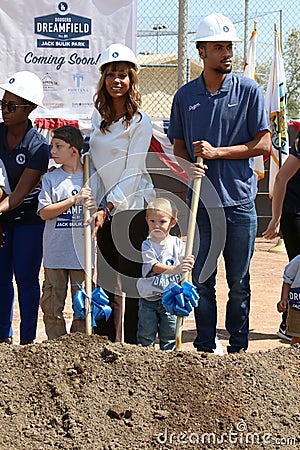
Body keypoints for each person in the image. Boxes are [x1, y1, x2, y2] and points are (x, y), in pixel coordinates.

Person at [168, 13, 270, 354]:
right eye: (218, 47)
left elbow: (263, 145)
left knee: (239, 282)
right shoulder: (185, 96)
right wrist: (188, 167)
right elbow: (179, 147)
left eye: (229, 46)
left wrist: (217, 152)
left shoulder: (250, 91)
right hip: (202, 204)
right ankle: (206, 348)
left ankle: (238, 351)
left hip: (240, 203)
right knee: (202, 280)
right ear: (201, 51)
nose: (226, 53)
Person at [88, 43, 155, 344]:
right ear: (103, 79)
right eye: (111, 74)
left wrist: (109, 207)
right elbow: (96, 166)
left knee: (130, 281)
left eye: (123, 75)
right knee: (105, 280)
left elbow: (132, 171)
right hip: (103, 210)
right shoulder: (96, 120)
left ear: (132, 81)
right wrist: (92, 202)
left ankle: (134, 348)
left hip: (131, 209)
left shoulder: (141, 121)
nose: (117, 80)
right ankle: (107, 345)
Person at [38, 126, 104, 339]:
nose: (53, 151)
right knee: (51, 306)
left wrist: (94, 207)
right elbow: (45, 213)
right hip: (55, 254)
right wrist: (73, 200)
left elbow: (98, 216)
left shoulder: (92, 177)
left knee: (83, 306)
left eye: (58, 146)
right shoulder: (51, 179)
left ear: (74, 151)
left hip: (82, 256)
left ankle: (79, 347)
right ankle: (56, 347)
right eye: (52, 146)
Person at [0, 71, 50, 345]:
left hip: (28, 220)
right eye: (2, 104)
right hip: (1, 218)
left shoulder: (38, 147)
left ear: (29, 109)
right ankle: (3, 338)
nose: (5, 110)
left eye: (11, 106)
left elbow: (19, 195)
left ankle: (28, 343)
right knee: (0, 278)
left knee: (26, 280)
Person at [136, 198, 194, 351]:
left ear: (172, 223)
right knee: (145, 336)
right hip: (149, 299)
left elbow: (185, 268)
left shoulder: (178, 244)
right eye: (152, 221)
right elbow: (154, 266)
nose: (156, 225)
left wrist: (187, 264)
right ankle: (145, 362)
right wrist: (175, 269)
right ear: (146, 221)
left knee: (169, 337)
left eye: (162, 222)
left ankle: (167, 364)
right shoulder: (147, 244)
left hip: (170, 299)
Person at [263, 130, 300, 341]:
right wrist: (275, 218)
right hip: (295, 213)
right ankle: (288, 325)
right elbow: (280, 178)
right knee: (298, 270)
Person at [277, 254, 300, 346]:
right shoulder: (298, 260)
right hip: (297, 306)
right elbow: (287, 280)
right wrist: (284, 299)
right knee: (297, 337)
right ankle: (293, 357)